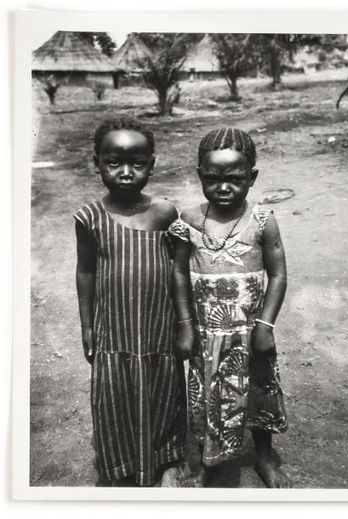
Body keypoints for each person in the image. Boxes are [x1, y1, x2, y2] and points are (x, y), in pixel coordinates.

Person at [169, 127, 290, 488]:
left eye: (235, 179)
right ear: (200, 176)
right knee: (204, 397)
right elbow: (177, 272)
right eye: (213, 178)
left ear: (251, 178)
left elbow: (279, 274)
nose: (224, 187)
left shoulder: (262, 221)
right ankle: (201, 462)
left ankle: (265, 459)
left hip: (250, 332)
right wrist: (186, 325)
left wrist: (265, 326)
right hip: (207, 334)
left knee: (257, 392)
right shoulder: (188, 220)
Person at [74, 118, 186, 487]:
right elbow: (86, 272)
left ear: (151, 165)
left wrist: (185, 324)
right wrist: (88, 326)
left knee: (164, 391)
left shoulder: (166, 213)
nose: (126, 172)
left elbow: (180, 269)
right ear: (97, 163)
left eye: (137, 164)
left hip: (157, 326)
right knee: (114, 396)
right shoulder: (89, 218)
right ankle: (118, 465)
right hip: (114, 330)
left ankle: (167, 458)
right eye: (113, 163)